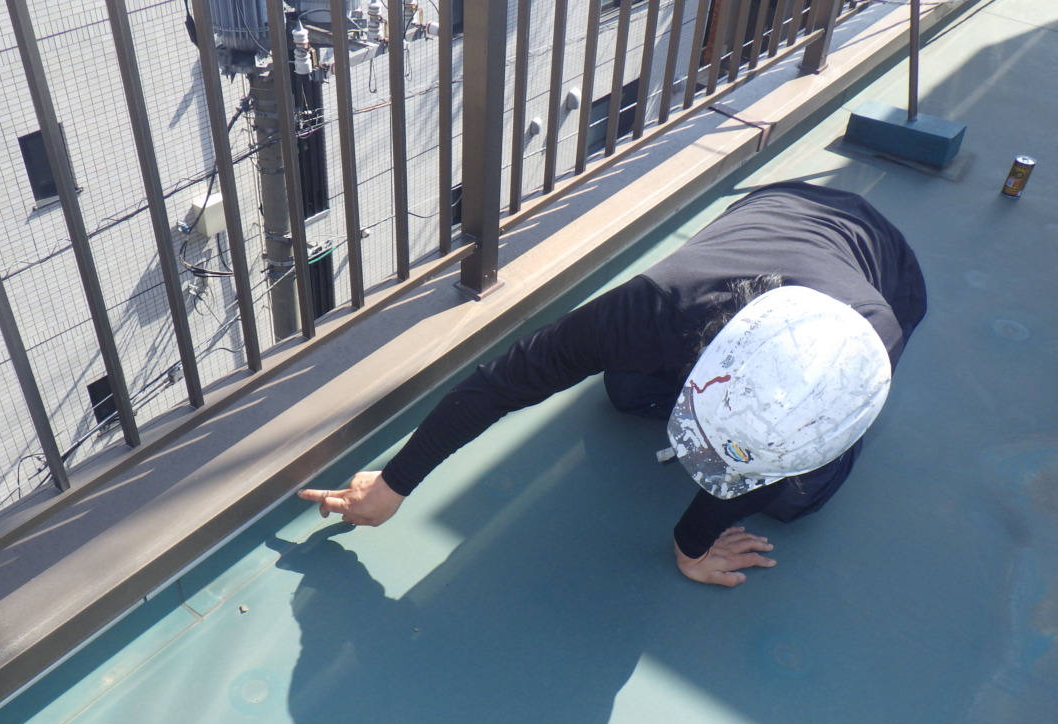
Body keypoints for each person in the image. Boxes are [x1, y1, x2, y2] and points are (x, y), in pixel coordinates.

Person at [298, 181, 927, 587]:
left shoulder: (869, 346)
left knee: (792, 494)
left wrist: (691, 545)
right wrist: (393, 484)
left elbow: (773, 455)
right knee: (625, 393)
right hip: (773, 207)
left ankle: (807, 461)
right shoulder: (650, 308)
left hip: (885, 265)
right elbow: (504, 382)